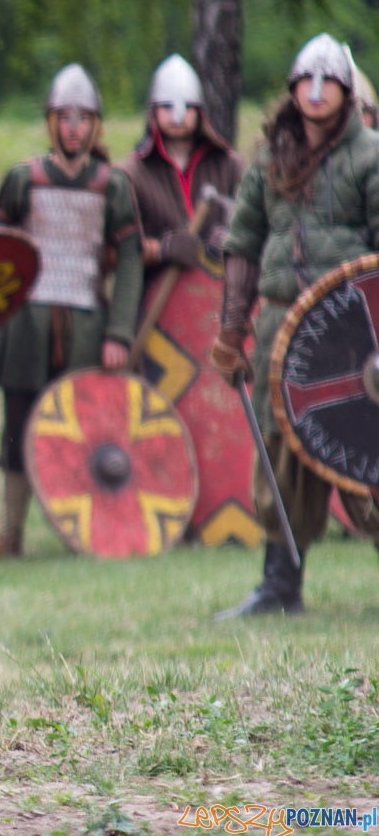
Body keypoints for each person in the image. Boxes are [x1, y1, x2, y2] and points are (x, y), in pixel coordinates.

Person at [211, 33, 379, 618]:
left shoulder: (371, 156)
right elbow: (242, 244)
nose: (316, 90)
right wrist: (231, 332)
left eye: (328, 80)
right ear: (292, 89)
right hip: (284, 331)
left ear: (347, 91)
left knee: (368, 452)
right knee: (283, 453)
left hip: (357, 335)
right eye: (307, 79)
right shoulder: (269, 160)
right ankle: (280, 585)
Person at [0, 64, 144, 560]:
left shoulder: (112, 185)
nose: (73, 127)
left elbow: (130, 259)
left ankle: (87, 534)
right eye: (64, 117)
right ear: (51, 121)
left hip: (87, 323)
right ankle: (10, 536)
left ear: (95, 124)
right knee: (18, 428)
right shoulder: (23, 179)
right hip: (27, 324)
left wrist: (119, 333)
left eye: (83, 118)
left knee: (85, 430)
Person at [119, 55, 243, 285]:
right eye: (167, 106)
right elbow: (117, 251)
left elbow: (258, 232)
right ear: (153, 111)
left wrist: (232, 241)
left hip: (219, 293)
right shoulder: (131, 174)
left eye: (187, 106)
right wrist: (161, 249)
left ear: (199, 111)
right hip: (155, 297)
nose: (177, 115)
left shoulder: (230, 167)